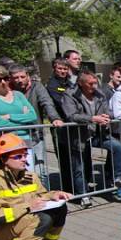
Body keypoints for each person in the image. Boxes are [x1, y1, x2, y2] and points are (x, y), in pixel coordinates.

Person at [62, 71, 121, 202]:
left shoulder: (99, 93)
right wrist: (92, 118)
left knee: (117, 146)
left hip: (98, 133)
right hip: (78, 136)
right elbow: (71, 115)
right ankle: (83, 195)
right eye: (90, 83)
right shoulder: (70, 95)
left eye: (95, 83)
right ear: (81, 83)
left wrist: (107, 116)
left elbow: (108, 111)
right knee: (80, 167)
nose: (94, 86)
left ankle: (118, 178)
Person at [8, 63, 64, 185]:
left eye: (22, 77)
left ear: (27, 75)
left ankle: (44, 196)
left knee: (39, 170)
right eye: (16, 77)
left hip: (35, 134)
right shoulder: (8, 90)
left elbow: (46, 102)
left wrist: (54, 118)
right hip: (15, 136)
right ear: (11, 78)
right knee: (19, 171)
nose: (19, 80)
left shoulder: (36, 87)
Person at [0, 63, 38, 171]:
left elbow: (32, 116)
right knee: (11, 178)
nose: (3, 82)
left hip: (25, 141)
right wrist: (23, 120)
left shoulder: (18, 95)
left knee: (29, 175)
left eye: (5, 78)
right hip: (6, 143)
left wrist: (9, 116)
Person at [46, 58, 82, 200]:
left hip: (72, 124)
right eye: (60, 68)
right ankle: (68, 189)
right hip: (60, 126)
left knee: (75, 158)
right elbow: (61, 102)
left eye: (65, 69)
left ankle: (77, 188)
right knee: (64, 159)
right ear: (55, 68)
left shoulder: (70, 82)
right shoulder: (52, 84)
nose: (62, 71)